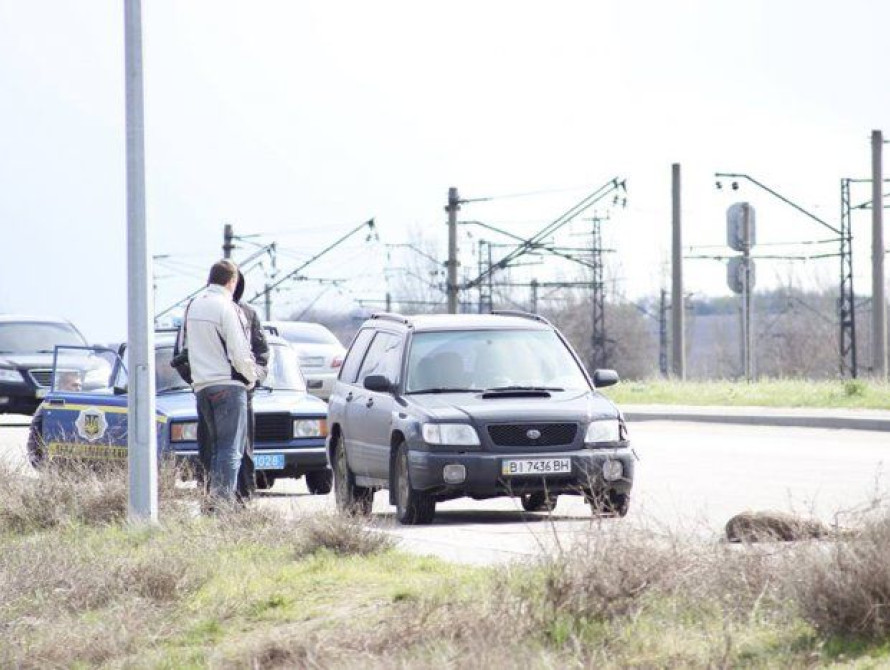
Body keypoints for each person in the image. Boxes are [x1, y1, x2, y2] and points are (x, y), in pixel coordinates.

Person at [187, 259, 258, 507]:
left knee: (215, 449)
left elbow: (186, 349)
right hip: (228, 385)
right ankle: (223, 507)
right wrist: (251, 378)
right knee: (231, 450)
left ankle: (213, 502)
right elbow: (240, 352)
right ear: (232, 282)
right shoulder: (227, 307)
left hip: (202, 387)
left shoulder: (193, 305)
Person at [232, 271, 269, 500]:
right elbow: (183, 355)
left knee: (245, 449)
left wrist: (255, 378)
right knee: (214, 449)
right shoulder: (200, 310)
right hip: (211, 390)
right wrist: (197, 381)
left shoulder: (249, 313)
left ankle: (244, 499)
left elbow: (262, 352)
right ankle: (215, 501)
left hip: (244, 391)